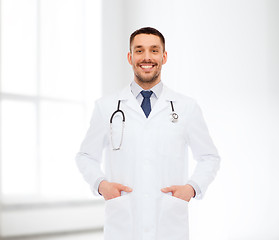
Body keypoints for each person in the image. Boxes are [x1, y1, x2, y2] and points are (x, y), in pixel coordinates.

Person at [76, 27, 220, 240]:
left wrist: (192, 188)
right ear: (130, 57)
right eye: (139, 50)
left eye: (154, 50)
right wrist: (101, 184)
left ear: (164, 56)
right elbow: (86, 156)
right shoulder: (106, 107)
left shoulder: (186, 107)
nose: (146, 57)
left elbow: (209, 157)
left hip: (169, 224)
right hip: (123, 224)